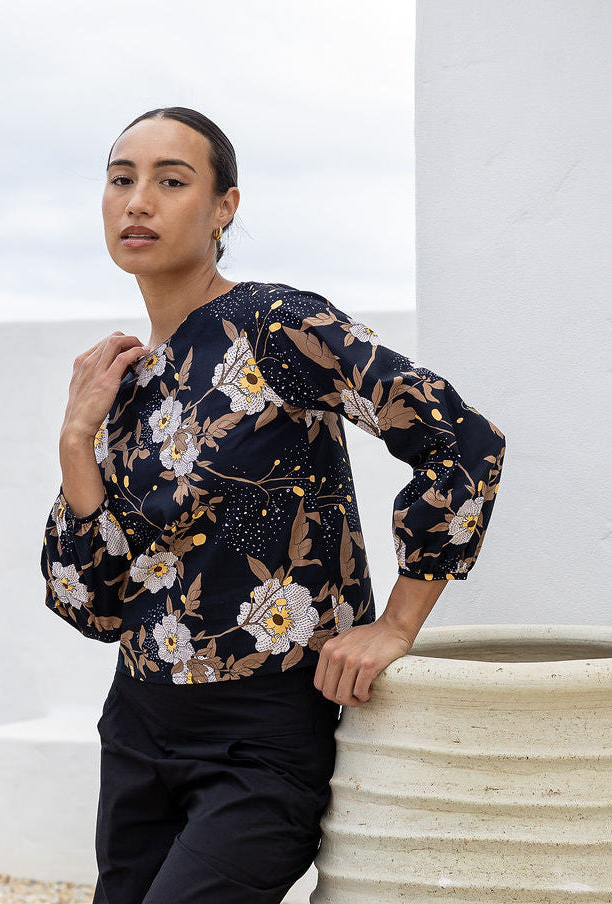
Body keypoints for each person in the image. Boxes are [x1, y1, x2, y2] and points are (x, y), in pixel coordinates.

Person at [40, 106, 506, 904]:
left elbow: (461, 440)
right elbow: (93, 603)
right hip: (138, 727)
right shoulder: (125, 380)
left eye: (171, 180)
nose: (137, 201)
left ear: (225, 207)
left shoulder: (275, 325)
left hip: (262, 734)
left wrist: (396, 624)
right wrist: (76, 438)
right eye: (121, 179)